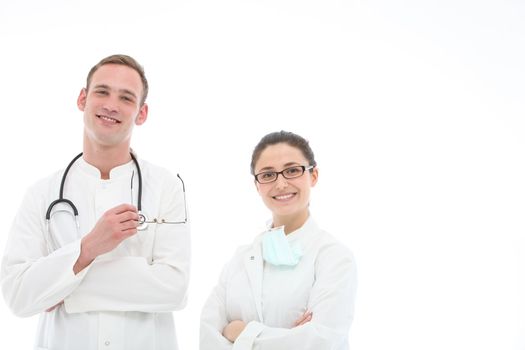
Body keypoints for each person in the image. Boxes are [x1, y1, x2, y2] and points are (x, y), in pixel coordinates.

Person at [1, 54, 190, 350]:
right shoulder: (41, 194)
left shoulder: (167, 187)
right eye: (102, 92)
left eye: (126, 98)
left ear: (141, 114)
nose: (111, 105)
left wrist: (63, 285)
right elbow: (17, 294)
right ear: (82, 99)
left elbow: (174, 289)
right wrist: (88, 248)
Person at [200, 130, 357, 350]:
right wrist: (290, 337)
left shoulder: (334, 257)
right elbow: (208, 338)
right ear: (257, 185)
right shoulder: (238, 261)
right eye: (267, 175)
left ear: (313, 176)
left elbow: (321, 341)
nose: (281, 183)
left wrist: (241, 332)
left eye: (292, 170)